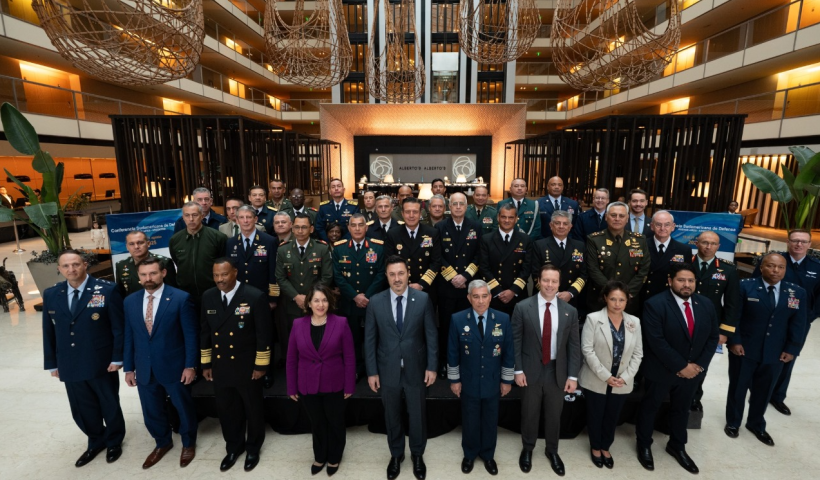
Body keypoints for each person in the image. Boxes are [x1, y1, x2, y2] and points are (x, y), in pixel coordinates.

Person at [42, 249, 126, 467]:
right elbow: (49, 331)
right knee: (81, 406)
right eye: (66, 266)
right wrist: (51, 363)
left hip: (101, 360)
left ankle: (114, 440)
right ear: (59, 269)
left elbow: (118, 328)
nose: (71, 269)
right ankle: (96, 440)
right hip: (69, 361)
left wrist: (117, 358)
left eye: (76, 264)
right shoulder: (51, 294)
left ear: (85, 265)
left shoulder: (107, 290)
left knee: (109, 403)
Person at [635, 263, 718, 474]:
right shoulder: (655, 304)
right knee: (650, 407)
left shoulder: (706, 304)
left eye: (691, 280)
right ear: (670, 281)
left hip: (693, 372)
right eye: (681, 280)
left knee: (682, 409)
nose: (686, 284)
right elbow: (656, 341)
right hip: (661, 370)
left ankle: (677, 445)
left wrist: (698, 366)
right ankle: (644, 444)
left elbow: (712, 338)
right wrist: (681, 366)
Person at [365, 255, 438, 480]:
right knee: (392, 415)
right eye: (392, 274)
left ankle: (417, 454)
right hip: (387, 370)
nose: (397, 278)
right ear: (386, 277)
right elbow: (370, 340)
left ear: (408, 274)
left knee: (417, 415)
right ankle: (396, 455)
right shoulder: (375, 302)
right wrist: (372, 371)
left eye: (400, 273)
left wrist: (432, 367)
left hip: (416, 369)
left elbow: (431, 335)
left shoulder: (423, 299)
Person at [123, 257, 198, 469]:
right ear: (138, 277)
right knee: (151, 410)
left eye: (153, 273)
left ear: (163, 273)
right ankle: (162, 442)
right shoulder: (130, 301)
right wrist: (129, 368)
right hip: (144, 368)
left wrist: (190, 365)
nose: (148, 278)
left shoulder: (180, 298)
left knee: (183, 408)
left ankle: (188, 443)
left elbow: (191, 335)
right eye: (144, 274)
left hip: (175, 366)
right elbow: (129, 336)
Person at [725, 253, 807, 446]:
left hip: (776, 352)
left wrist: (792, 349)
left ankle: (756, 424)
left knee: (764, 390)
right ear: (761, 267)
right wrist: (735, 341)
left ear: (785, 269)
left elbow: (798, 324)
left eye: (780, 267)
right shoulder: (745, 286)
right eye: (770, 266)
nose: (775, 270)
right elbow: (734, 316)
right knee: (738, 388)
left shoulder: (796, 292)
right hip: (744, 349)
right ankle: (733, 422)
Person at [201, 259, 272, 472]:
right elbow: (205, 332)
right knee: (227, 410)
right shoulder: (208, 296)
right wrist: (206, 363)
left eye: (224, 274)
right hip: (221, 365)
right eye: (216, 275)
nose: (219, 280)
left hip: (247, 366)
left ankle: (253, 448)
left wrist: (261, 365)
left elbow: (264, 335)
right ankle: (233, 447)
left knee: (253, 409)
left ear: (235, 272)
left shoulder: (254, 296)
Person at [513, 264, 581, 476]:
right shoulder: (522, 307)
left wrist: (572, 376)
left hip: (556, 370)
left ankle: (552, 450)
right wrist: (518, 370)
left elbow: (574, 346)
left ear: (559, 283)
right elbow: (515, 342)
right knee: (529, 413)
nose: (549, 285)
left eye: (554, 281)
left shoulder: (570, 311)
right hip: (530, 370)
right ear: (538, 281)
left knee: (554, 415)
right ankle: (528, 448)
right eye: (545, 280)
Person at [287, 284, 355, 476]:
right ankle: (319, 456)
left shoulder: (341, 323)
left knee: (335, 422)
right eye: (316, 300)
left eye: (324, 300)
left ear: (330, 302)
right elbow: (291, 359)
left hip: (334, 383)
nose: (320, 304)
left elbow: (350, 357)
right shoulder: (297, 324)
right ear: (309, 303)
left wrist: (349, 385)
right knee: (317, 423)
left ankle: (334, 456)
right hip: (308, 384)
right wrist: (291, 387)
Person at [447, 279, 513, 476]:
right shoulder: (458, 319)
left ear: (490, 297)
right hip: (468, 381)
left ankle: (488, 455)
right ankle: (469, 454)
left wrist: (506, 380)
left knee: (490, 420)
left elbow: (508, 352)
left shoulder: (503, 319)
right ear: (469, 298)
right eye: (476, 296)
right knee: (470, 419)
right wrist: (454, 380)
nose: (481, 301)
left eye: (484, 296)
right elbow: (452, 352)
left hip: (493, 380)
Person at [754, 229, 820, 415]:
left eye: (803, 241)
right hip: (769, 318)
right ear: (788, 242)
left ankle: (777, 396)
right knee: (762, 354)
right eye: (795, 240)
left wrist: (809, 316)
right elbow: (755, 285)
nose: (799, 244)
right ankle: (758, 392)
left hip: (799, 322)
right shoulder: (773, 261)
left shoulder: (817, 267)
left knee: (788, 357)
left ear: (809, 244)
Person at [579, 281, 643, 469]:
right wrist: (606, 375)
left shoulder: (634, 322)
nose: (617, 303)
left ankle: (605, 447)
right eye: (613, 299)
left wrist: (627, 377)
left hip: (622, 379)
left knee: (612, 416)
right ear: (605, 298)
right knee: (596, 414)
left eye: (621, 300)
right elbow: (587, 350)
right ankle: (595, 447)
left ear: (627, 300)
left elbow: (638, 353)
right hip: (597, 377)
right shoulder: (593, 319)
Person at [225, 205, 280, 388]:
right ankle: (246, 369)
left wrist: (272, 298)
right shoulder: (231, 243)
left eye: (249, 217)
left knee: (264, 335)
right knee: (243, 335)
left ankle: (266, 371)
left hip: (262, 298)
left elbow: (273, 271)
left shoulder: (269, 240)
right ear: (236, 220)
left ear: (256, 219)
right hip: (239, 298)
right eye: (242, 217)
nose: (246, 221)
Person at [690, 230, 740, 411]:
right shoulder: (685, 263)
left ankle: (695, 396)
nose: (708, 246)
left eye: (712, 243)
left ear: (718, 246)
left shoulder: (728, 269)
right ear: (697, 243)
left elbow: (733, 304)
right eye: (704, 242)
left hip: (709, 327)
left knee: (702, 362)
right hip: (683, 321)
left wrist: (725, 331)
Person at [332, 213, 386, 379]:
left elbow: (381, 274)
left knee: (373, 336)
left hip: (372, 301)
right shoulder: (339, 248)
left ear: (366, 227)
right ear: (348, 228)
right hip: (349, 302)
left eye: (360, 225)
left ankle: (374, 368)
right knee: (352, 337)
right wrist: (355, 296)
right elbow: (337, 276)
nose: (357, 228)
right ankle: (355, 367)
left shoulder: (378, 247)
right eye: (353, 225)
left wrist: (366, 296)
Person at [435, 192, 482, 376]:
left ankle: (465, 361)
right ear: (449, 206)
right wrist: (454, 277)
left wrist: (465, 277)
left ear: (466, 206)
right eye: (454, 204)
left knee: (467, 327)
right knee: (446, 327)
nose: (458, 207)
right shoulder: (440, 227)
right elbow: (437, 256)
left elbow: (479, 255)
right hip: (447, 287)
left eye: (461, 204)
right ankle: (445, 362)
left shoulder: (475, 226)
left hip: (467, 288)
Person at [276, 213, 333, 361]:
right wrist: (296, 296)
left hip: (316, 305)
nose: (300, 231)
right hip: (291, 305)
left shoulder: (322, 248)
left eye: (304, 227)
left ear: (311, 229)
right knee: (292, 343)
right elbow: (280, 278)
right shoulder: (283, 250)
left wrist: (310, 298)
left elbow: (327, 276)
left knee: (315, 341)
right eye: (297, 227)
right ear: (292, 228)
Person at [585, 201, 650, 315]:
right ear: (606, 217)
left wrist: (626, 293)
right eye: (613, 215)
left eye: (621, 216)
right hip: (601, 299)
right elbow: (593, 269)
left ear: (627, 218)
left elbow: (644, 269)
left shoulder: (640, 240)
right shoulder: (594, 239)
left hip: (629, 300)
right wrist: (611, 292)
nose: (617, 219)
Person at [169, 202, 228, 315]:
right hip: (186, 295)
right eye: (187, 215)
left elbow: (224, 264)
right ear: (183, 217)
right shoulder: (175, 240)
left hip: (213, 292)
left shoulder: (218, 237)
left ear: (202, 216)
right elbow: (177, 261)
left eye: (195, 215)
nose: (191, 219)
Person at [479, 203, 531, 316]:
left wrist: (513, 291)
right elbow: (484, 268)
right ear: (498, 217)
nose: (507, 220)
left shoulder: (525, 239)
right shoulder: (486, 239)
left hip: (517, 294)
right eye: (503, 217)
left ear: (516, 219)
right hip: (494, 294)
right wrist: (498, 291)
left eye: (511, 217)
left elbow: (527, 268)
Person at [530, 210, 587, 313]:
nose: (561, 226)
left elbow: (583, 274)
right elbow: (535, 274)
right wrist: (553, 294)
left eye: (565, 224)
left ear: (570, 227)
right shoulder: (539, 245)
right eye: (557, 223)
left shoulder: (579, 246)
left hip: (571, 298)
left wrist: (570, 293)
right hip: (545, 297)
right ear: (551, 225)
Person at [384, 197, 442, 296]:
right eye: (407, 212)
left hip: (426, 288)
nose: (411, 215)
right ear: (402, 214)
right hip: (400, 288)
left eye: (415, 212)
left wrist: (422, 284)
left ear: (420, 214)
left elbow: (436, 262)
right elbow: (389, 263)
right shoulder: (392, 234)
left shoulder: (432, 233)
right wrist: (404, 285)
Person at [640, 211, 691, 302]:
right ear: (652, 226)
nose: (662, 228)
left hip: (669, 298)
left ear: (673, 227)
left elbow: (685, 277)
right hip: (644, 296)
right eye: (658, 224)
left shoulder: (683, 250)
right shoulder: (641, 245)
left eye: (667, 225)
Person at [115, 230, 177, 297]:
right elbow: (120, 293)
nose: (136, 247)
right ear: (127, 247)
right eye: (131, 244)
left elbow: (173, 290)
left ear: (148, 244)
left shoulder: (164, 262)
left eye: (140, 243)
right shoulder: (121, 266)